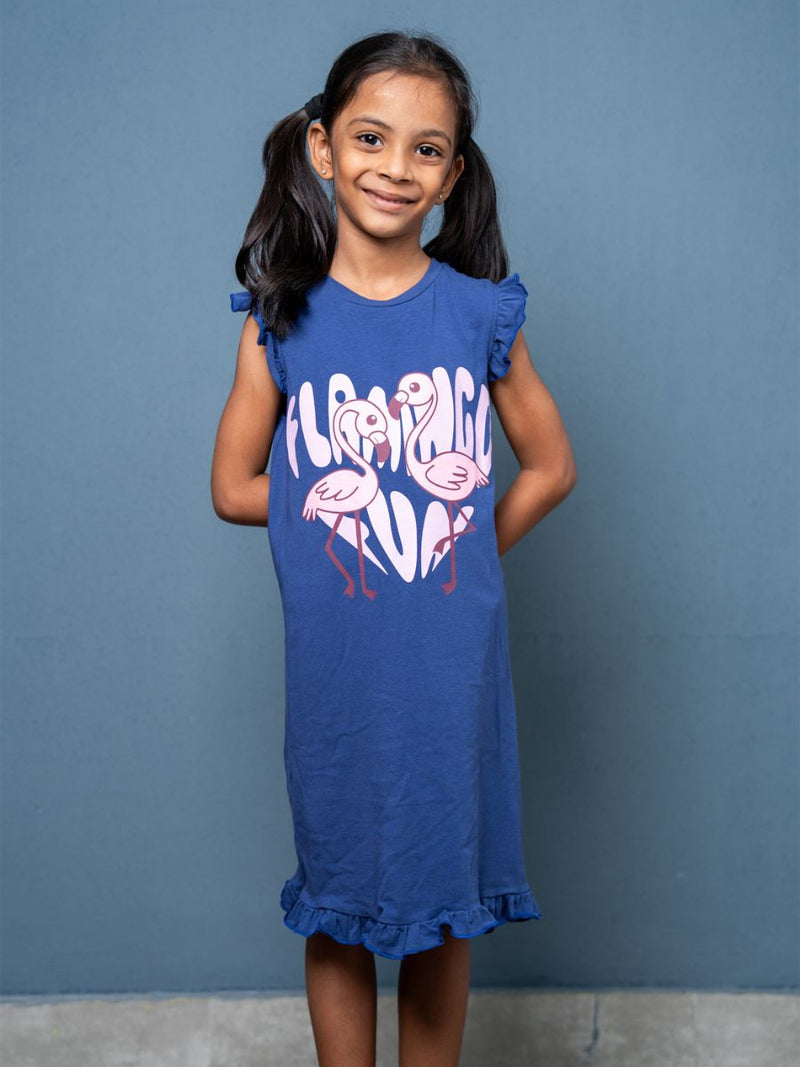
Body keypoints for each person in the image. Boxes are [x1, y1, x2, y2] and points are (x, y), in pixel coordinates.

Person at [210, 28, 577, 1067]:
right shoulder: (280, 322)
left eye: (426, 148)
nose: (395, 166)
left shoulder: (476, 313)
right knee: (338, 892)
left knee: (438, 890)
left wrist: (470, 547)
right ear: (322, 147)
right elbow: (233, 485)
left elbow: (548, 463)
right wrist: (347, 507)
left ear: (452, 174)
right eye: (371, 137)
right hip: (335, 665)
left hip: (446, 663)